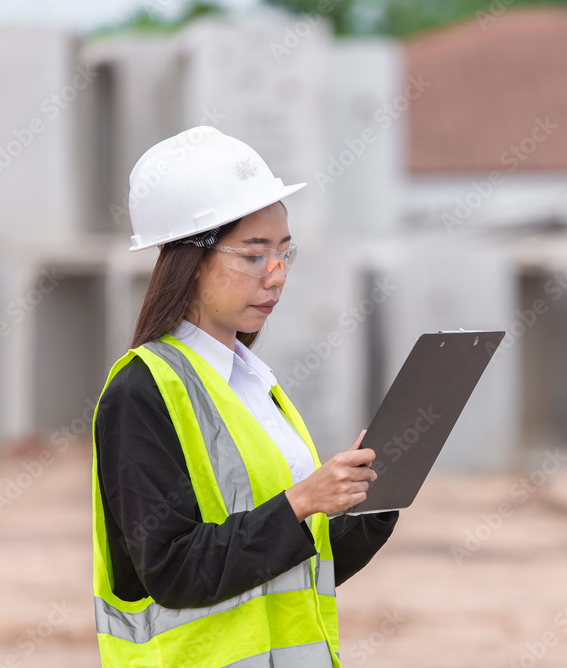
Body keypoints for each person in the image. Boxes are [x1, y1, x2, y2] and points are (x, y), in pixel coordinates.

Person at [90, 126, 398, 668]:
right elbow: (173, 569)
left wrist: (371, 504)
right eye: (254, 255)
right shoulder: (141, 391)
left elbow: (296, 566)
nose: (276, 276)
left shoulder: (255, 384)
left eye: (285, 253)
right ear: (189, 259)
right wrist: (303, 501)